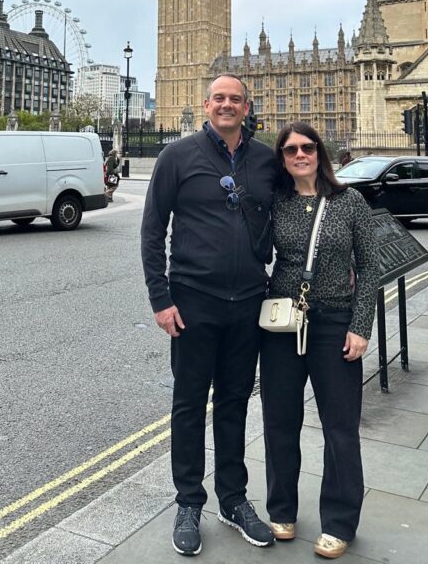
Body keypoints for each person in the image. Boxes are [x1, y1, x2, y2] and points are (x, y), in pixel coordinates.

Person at [141, 73, 276, 556]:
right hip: (194, 300)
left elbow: (299, 207)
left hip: (249, 302)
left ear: (246, 106)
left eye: (234, 99)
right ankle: (188, 502)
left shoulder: (265, 159)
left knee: (237, 401)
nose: (226, 105)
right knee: (189, 402)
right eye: (219, 98)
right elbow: (153, 230)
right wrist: (161, 299)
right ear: (205, 104)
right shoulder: (176, 156)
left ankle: (233, 499)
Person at [260, 122, 380, 560]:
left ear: (319, 152)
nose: (299, 155)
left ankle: (340, 520)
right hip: (282, 325)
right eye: (290, 150)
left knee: (341, 428)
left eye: (306, 147)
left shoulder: (349, 202)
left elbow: (370, 267)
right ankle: (282, 510)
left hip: (334, 323)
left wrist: (361, 325)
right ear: (282, 158)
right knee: (279, 422)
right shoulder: (275, 202)